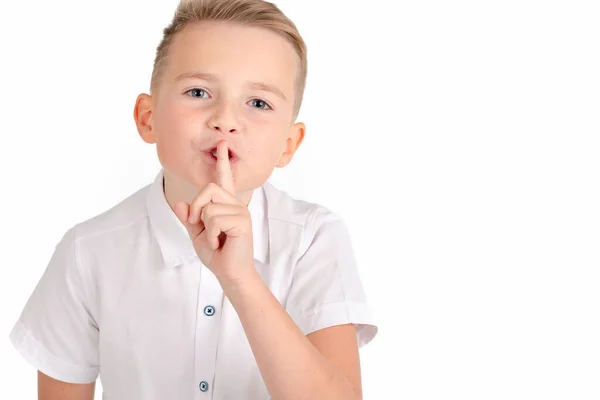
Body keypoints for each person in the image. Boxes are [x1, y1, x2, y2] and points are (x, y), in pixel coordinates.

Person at [8, 0, 378, 398]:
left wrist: (241, 280)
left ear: (289, 145)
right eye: (198, 92)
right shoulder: (87, 253)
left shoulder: (314, 239)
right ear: (147, 118)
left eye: (258, 103)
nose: (226, 119)